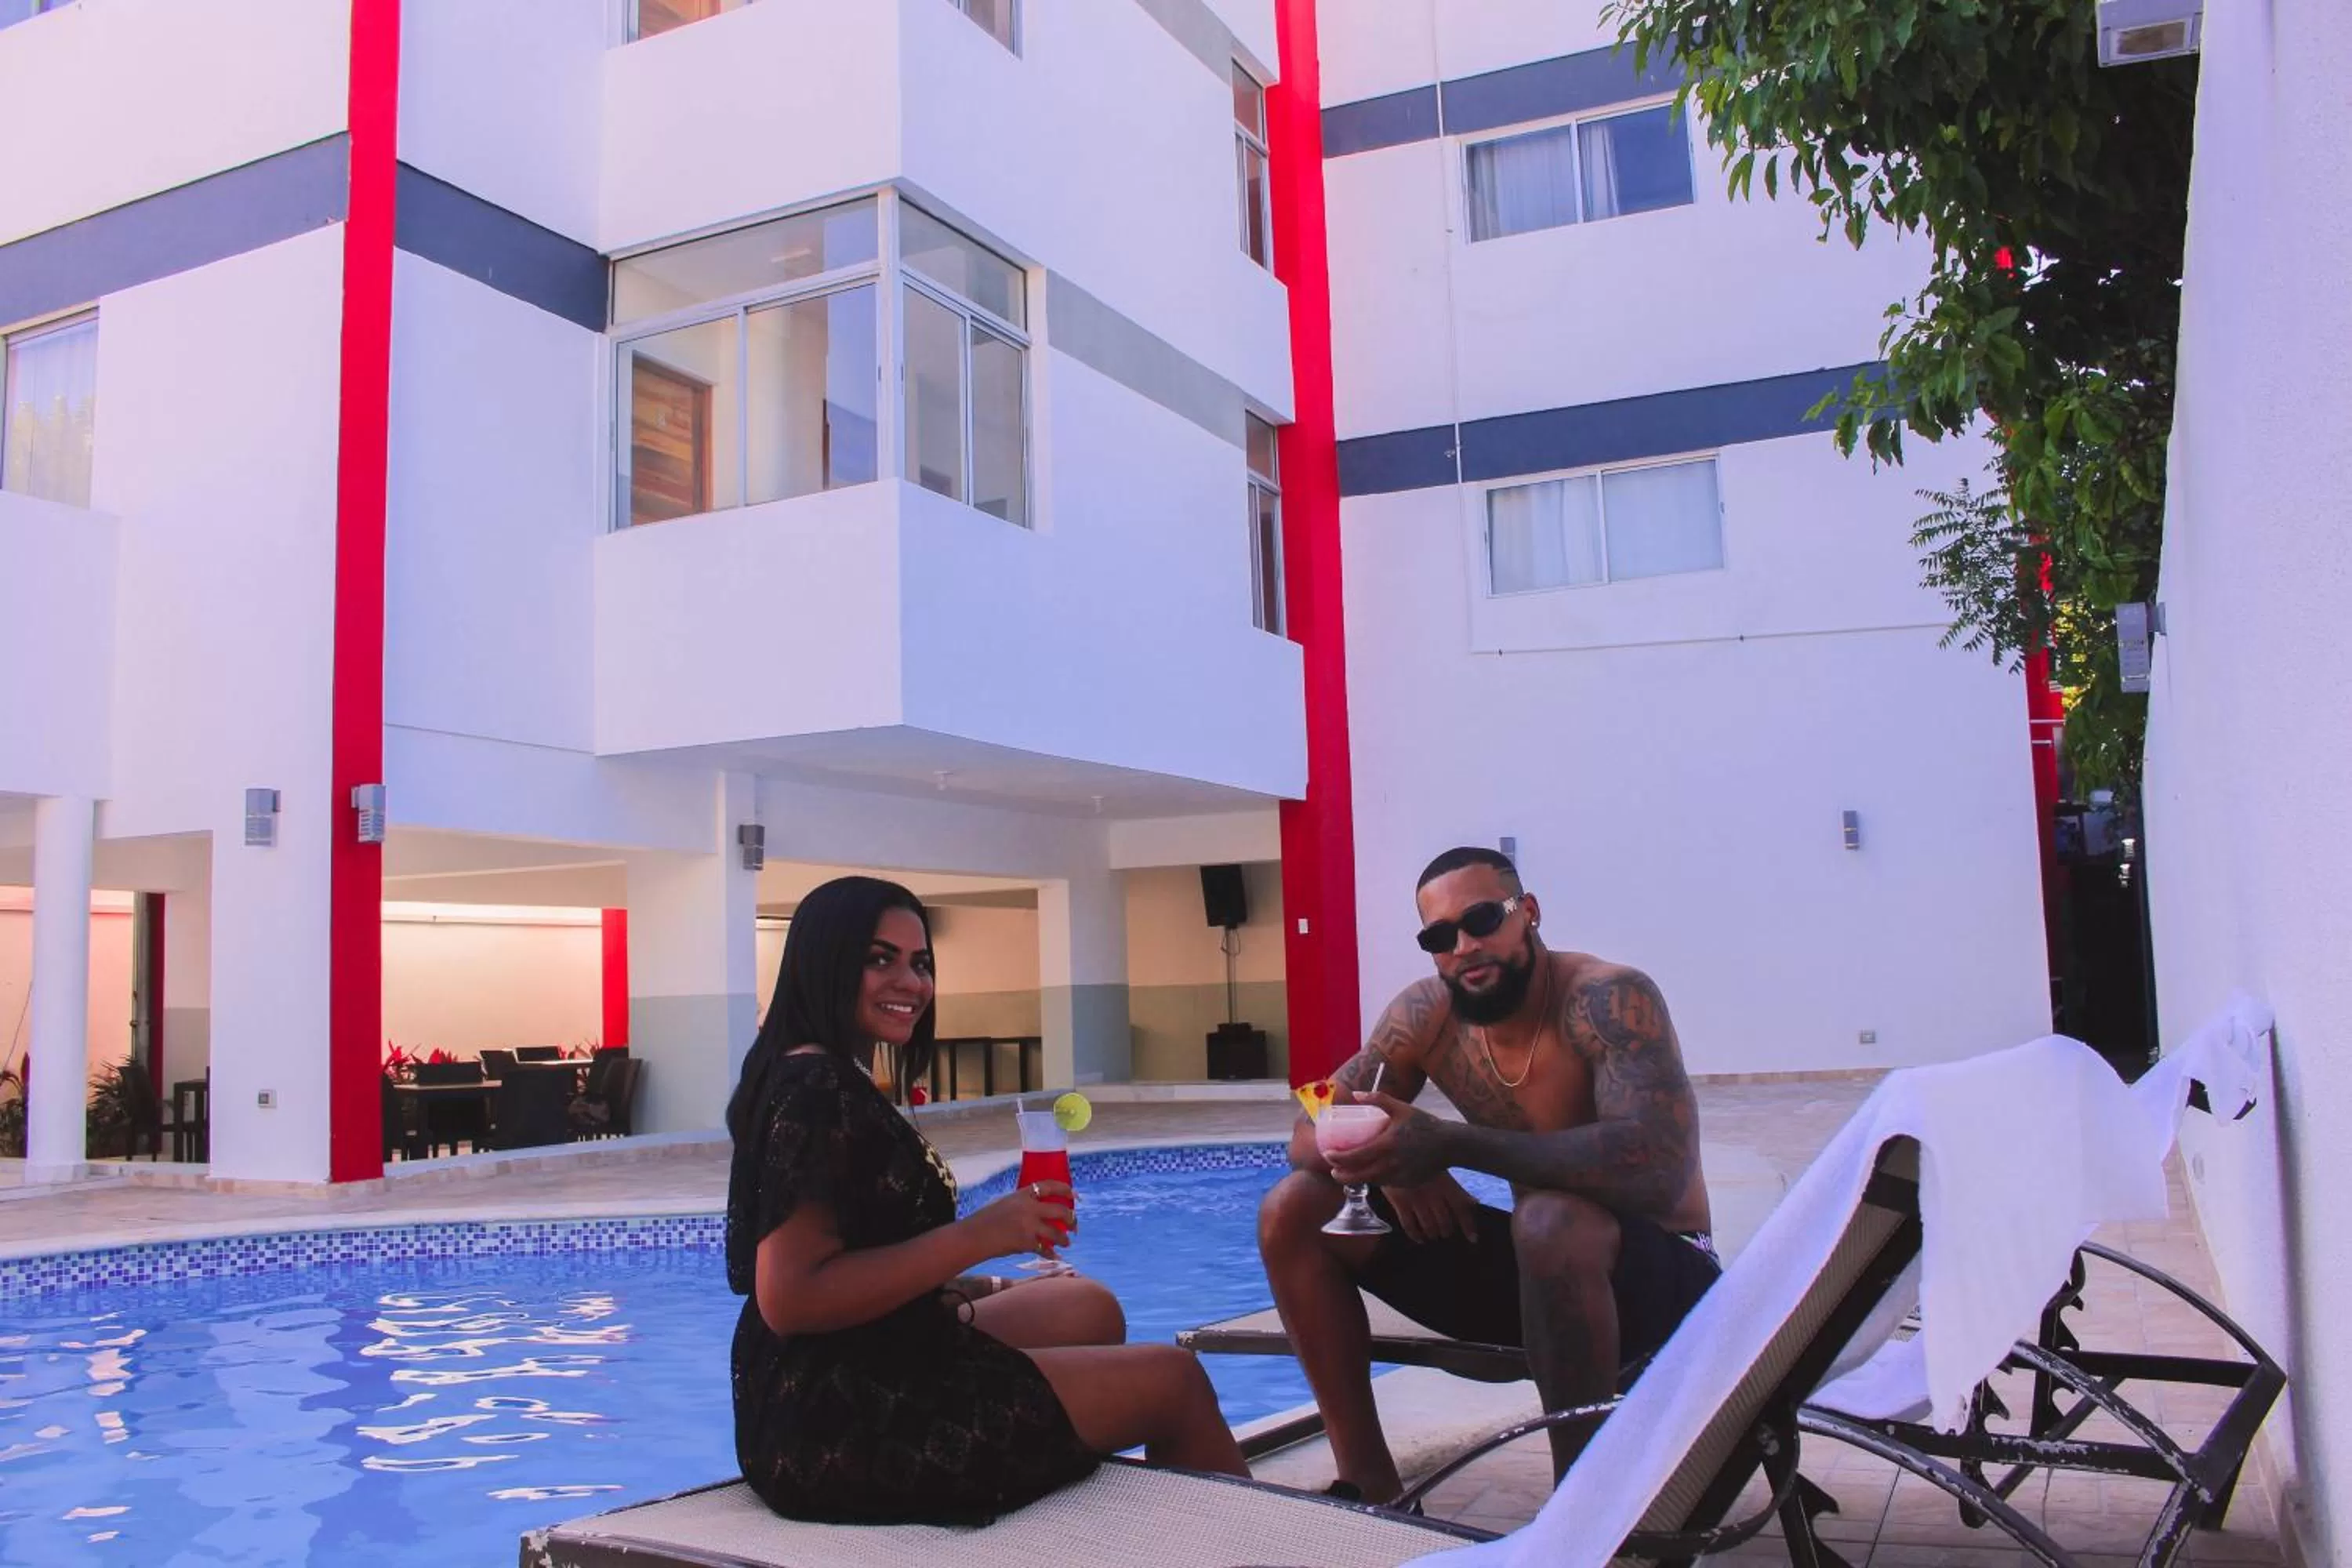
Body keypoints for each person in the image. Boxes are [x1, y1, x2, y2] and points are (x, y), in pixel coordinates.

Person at [726, 874, 1246, 1525]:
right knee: (1176, 1382)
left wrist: (980, 1284)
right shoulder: (815, 1089)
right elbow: (793, 1298)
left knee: (1086, 1307)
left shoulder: (827, 1070)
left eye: (921, 963)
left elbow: (864, 1247)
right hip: (839, 1417)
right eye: (878, 959)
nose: (911, 984)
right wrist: (980, 1234)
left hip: (863, 1355)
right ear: (825, 960)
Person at [1258, 847, 1720, 1504]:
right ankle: (1369, 1481)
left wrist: (1448, 1146)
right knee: (1294, 1208)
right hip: (1542, 1279)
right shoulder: (1425, 1015)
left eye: (1481, 920)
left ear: (1527, 912)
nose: (1465, 946)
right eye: (1440, 936)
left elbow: (1657, 1171)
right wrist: (1389, 1164)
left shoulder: (1607, 997)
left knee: (1551, 1219)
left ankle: (1582, 1508)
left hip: (1666, 1283)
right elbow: (1310, 1122)